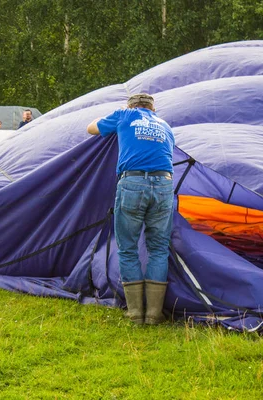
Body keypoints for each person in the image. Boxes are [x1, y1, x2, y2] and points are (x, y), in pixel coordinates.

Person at [87, 93, 175, 325]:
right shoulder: (165, 125)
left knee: (128, 248)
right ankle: (154, 314)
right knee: (158, 249)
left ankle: (136, 313)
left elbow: (91, 128)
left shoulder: (125, 115)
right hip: (164, 185)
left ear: (131, 106)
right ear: (152, 110)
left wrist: (115, 116)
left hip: (133, 183)